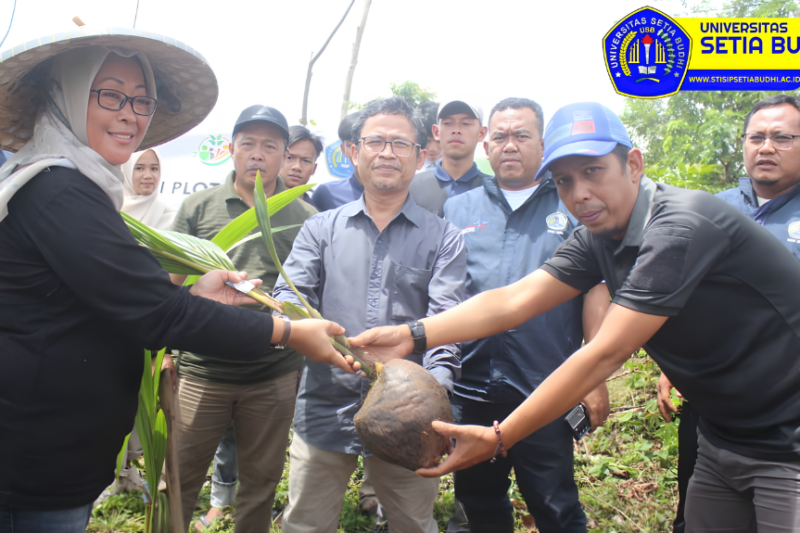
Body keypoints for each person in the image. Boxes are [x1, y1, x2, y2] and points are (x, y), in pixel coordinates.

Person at [350, 101, 800, 533]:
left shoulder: (679, 226)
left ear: (634, 165)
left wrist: (501, 436)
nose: (580, 193)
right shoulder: (599, 236)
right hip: (724, 437)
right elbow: (515, 300)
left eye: (592, 171)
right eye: (564, 181)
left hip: (789, 439)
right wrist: (412, 335)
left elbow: (606, 352)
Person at [0, 31, 351, 533]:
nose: (130, 113)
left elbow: (119, 300)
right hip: (32, 460)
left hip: (49, 453)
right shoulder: (59, 193)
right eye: (111, 94)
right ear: (68, 97)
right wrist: (289, 333)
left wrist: (192, 294)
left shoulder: (74, 187)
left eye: (142, 100)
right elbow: (156, 314)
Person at [276, 97, 467, 533]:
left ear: (420, 156)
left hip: (409, 418)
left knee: (412, 524)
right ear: (353, 152)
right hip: (325, 404)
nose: (386, 153)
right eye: (375, 141)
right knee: (305, 523)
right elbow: (288, 293)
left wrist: (432, 403)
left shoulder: (444, 238)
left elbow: (447, 324)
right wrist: (304, 330)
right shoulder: (320, 229)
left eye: (400, 143)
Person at [443, 97, 610, 533]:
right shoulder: (458, 208)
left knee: (555, 505)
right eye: (499, 136)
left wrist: (593, 376)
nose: (509, 145)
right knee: (476, 502)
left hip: (546, 387)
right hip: (472, 387)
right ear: (486, 142)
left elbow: (595, 289)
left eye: (521, 135)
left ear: (541, 142)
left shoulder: (571, 203)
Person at [169, 105, 317, 532]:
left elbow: (309, 296)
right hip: (202, 373)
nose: (258, 154)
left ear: (285, 156)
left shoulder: (304, 217)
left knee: (261, 483)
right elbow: (166, 286)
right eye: (248, 143)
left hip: (272, 375)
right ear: (231, 149)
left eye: (270, 145)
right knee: (178, 479)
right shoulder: (199, 208)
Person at [656, 93, 800, 533]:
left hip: (785, 415)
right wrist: (668, 369)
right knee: (697, 506)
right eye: (756, 136)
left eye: (782, 137)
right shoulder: (708, 208)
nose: (766, 147)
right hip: (709, 402)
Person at [409, 99, 490, 217]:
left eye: (466, 123)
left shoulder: (495, 192)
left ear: (481, 133)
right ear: (436, 131)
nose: (456, 130)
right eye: (448, 123)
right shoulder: (411, 188)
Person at [310, 111, 364, 211]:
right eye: (351, 145)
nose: (357, 151)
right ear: (343, 149)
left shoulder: (399, 194)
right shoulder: (326, 194)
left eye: (364, 144)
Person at [121, 148, 176, 230]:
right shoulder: (109, 209)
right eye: (139, 168)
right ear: (127, 171)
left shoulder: (171, 217)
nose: (148, 176)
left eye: (154, 169)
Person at [280, 125, 323, 204]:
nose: (297, 167)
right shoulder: (256, 204)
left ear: (314, 169)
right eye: (289, 158)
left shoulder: (315, 214)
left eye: (306, 161)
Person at [416, 101, 441, 173]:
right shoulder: (408, 170)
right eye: (427, 141)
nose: (433, 148)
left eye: (438, 141)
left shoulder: (461, 169)